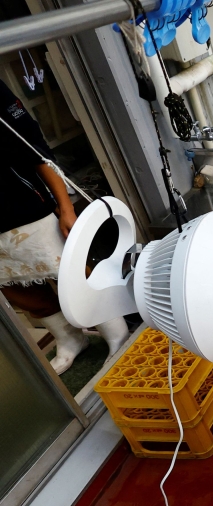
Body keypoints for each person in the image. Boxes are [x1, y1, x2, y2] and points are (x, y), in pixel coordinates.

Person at [1, 78, 128, 374]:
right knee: (21, 293)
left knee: (71, 276)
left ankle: (116, 334)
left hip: (28, 208)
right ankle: (70, 339)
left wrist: (66, 207)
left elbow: (34, 147)